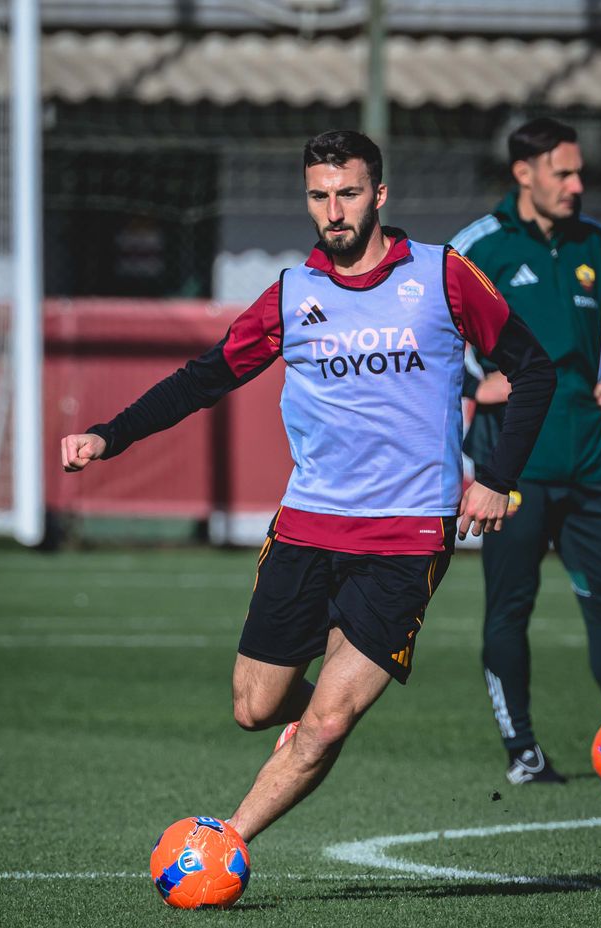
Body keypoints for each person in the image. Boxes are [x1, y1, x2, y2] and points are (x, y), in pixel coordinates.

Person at [62, 130, 555, 843]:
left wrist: (496, 480)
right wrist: (111, 433)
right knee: (255, 709)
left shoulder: (442, 274)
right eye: (320, 196)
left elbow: (532, 370)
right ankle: (305, 724)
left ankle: (222, 844)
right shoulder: (293, 294)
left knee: (327, 721)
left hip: (406, 536)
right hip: (305, 529)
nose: (334, 210)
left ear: (378, 195)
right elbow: (206, 377)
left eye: (348, 193)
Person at [451, 117, 601, 785]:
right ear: (522, 173)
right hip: (512, 469)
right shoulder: (476, 249)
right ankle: (522, 751)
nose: (576, 184)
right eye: (562, 172)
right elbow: (430, 339)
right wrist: (478, 382)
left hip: (589, 464)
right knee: (510, 606)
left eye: (577, 171)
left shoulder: (596, 246)